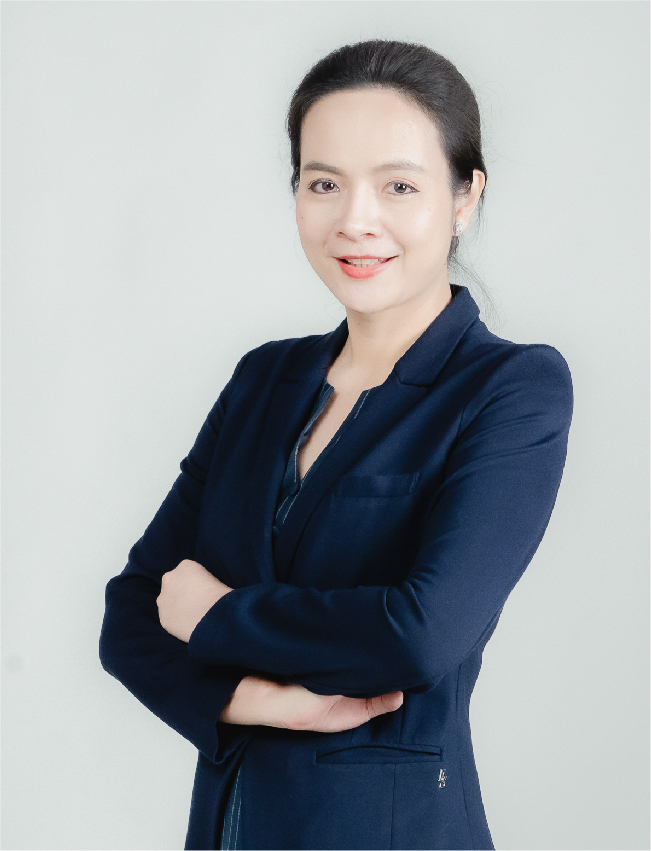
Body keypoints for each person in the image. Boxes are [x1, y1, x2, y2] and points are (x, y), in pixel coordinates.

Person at [99, 39, 573, 851]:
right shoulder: (264, 379)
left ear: (464, 196)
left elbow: (418, 633)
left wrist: (216, 615)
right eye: (323, 183)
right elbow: (132, 615)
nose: (355, 219)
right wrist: (258, 701)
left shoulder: (508, 388)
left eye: (398, 185)